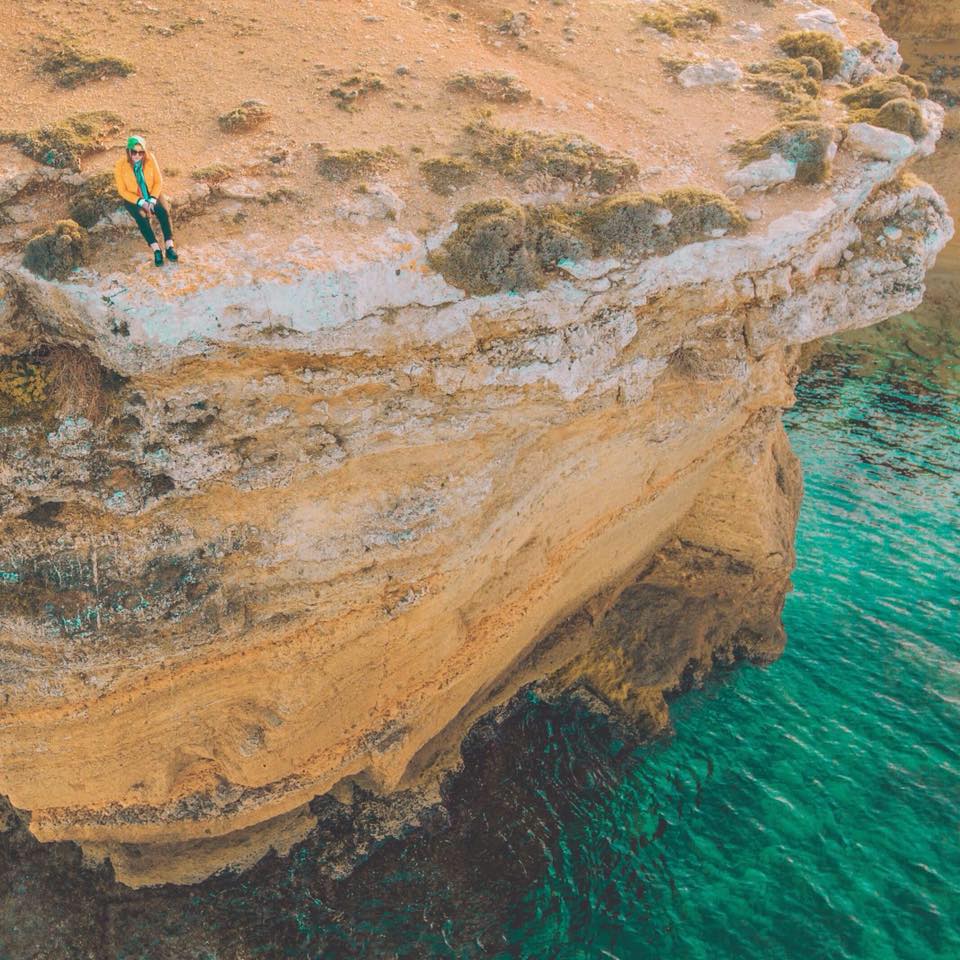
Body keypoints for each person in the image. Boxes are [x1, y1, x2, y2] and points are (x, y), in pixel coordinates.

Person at [114, 135, 179, 267]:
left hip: (151, 193)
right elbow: (122, 190)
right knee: (141, 217)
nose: (137, 156)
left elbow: (158, 181)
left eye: (141, 152)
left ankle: (169, 246)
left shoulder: (151, 159)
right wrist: (141, 202)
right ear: (128, 151)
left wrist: (152, 199)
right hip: (132, 197)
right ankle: (156, 249)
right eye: (134, 152)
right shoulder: (120, 165)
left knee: (163, 211)